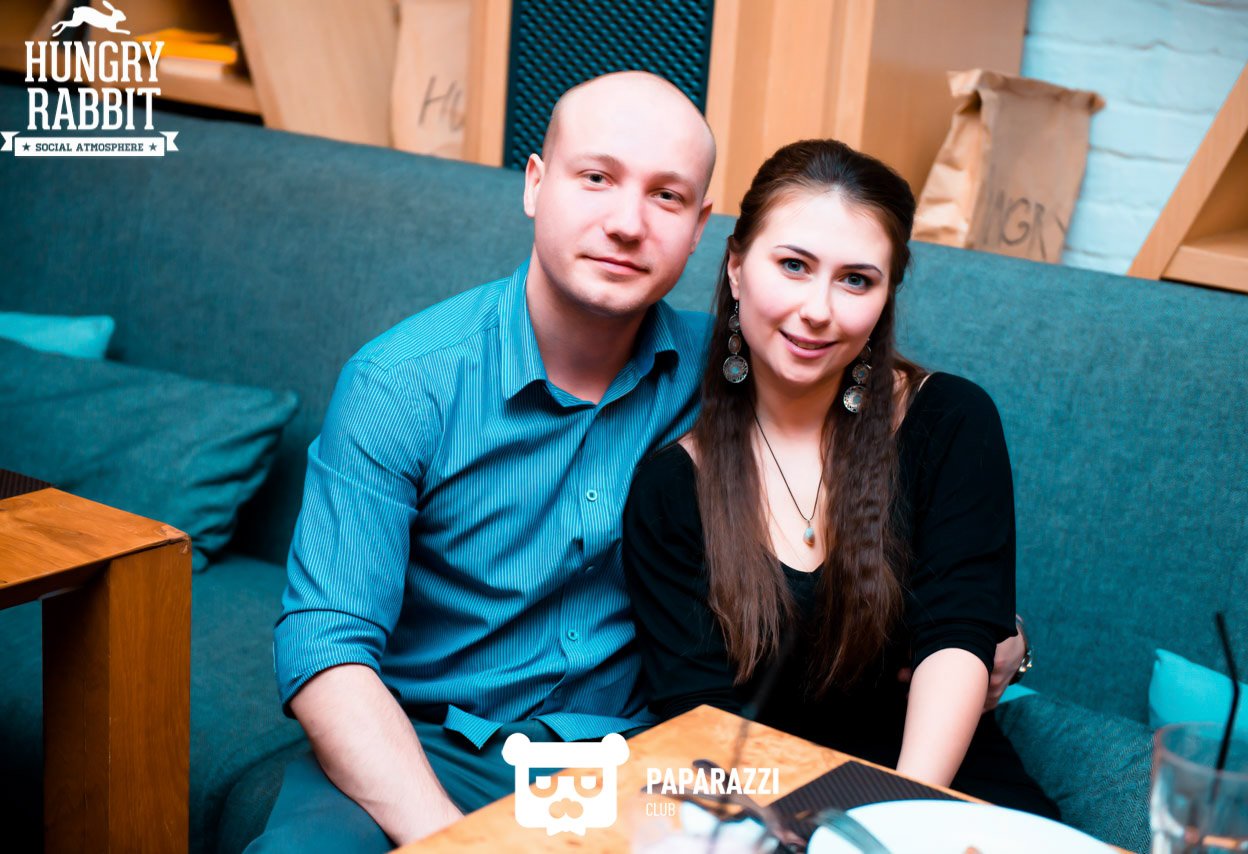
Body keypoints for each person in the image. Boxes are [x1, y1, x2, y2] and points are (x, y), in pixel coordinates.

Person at [251, 74, 1030, 852]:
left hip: (642, 759)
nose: (626, 224)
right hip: (429, 744)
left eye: (665, 196)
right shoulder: (404, 384)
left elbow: (901, 496)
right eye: (597, 178)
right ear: (535, 184)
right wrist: (454, 844)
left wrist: (984, 628)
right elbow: (326, 644)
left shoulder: (755, 364)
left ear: (698, 230)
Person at [622, 138, 1056, 816]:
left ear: (886, 296)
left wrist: (895, 824)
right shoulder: (671, 491)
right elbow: (702, 727)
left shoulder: (949, 421)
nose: (819, 309)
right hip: (771, 814)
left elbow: (957, 640)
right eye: (793, 265)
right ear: (736, 266)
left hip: (946, 798)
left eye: (856, 280)